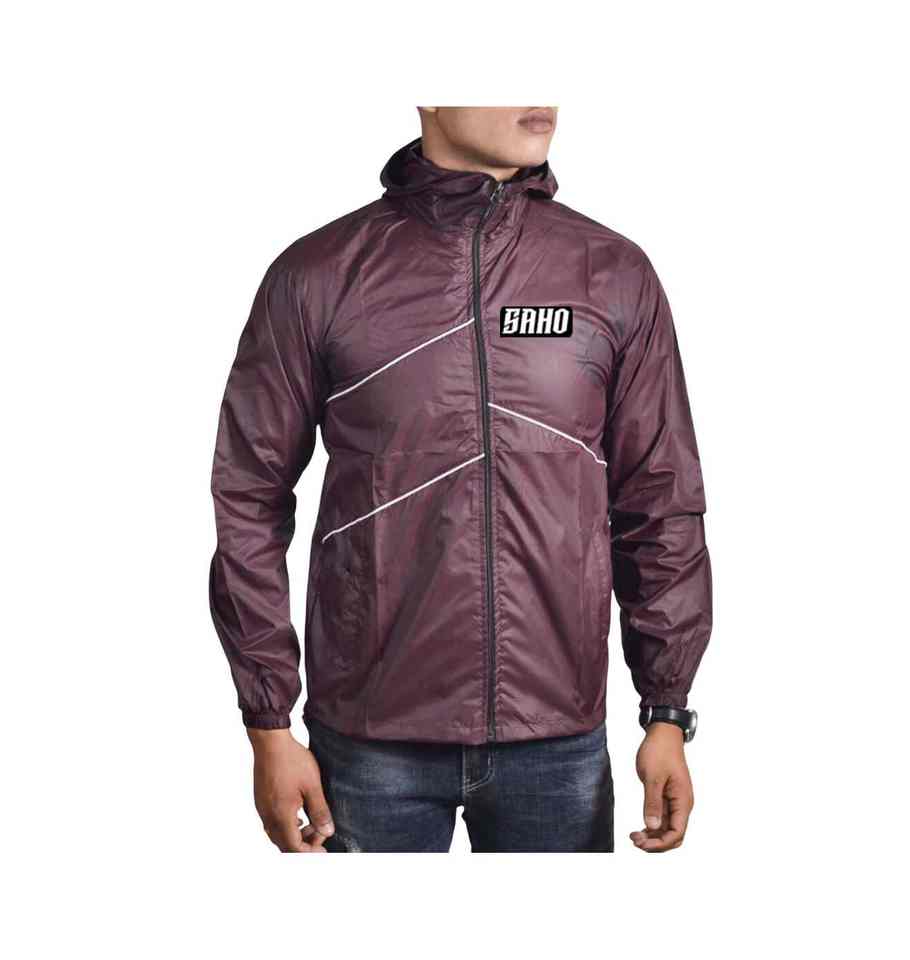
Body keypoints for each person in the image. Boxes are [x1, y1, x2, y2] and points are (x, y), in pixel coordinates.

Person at [209, 106, 712, 853]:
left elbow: (659, 499)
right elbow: (248, 498)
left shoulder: (611, 273)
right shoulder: (318, 275)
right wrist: (268, 723)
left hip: (557, 740)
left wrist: (667, 709)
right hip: (370, 740)